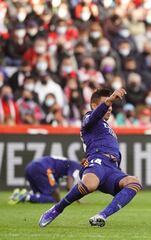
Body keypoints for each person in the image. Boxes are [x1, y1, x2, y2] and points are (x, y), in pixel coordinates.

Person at [39, 88, 142, 228]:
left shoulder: (106, 127)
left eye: (111, 105)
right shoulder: (89, 118)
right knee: (90, 185)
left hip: (112, 167)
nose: (110, 108)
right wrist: (110, 99)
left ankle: (101, 216)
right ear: (94, 106)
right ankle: (57, 209)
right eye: (106, 104)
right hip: (97, 161)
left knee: (134, 182)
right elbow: (94, 116)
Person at [8, 156, 81, 204]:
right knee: (55, 199)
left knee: (42, 195)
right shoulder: (76, 166)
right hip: (42, 168)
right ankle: (26, 196)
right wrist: (75, 199)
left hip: (30, 167)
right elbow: (69, 186)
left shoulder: (67, 163)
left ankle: (19, 195)